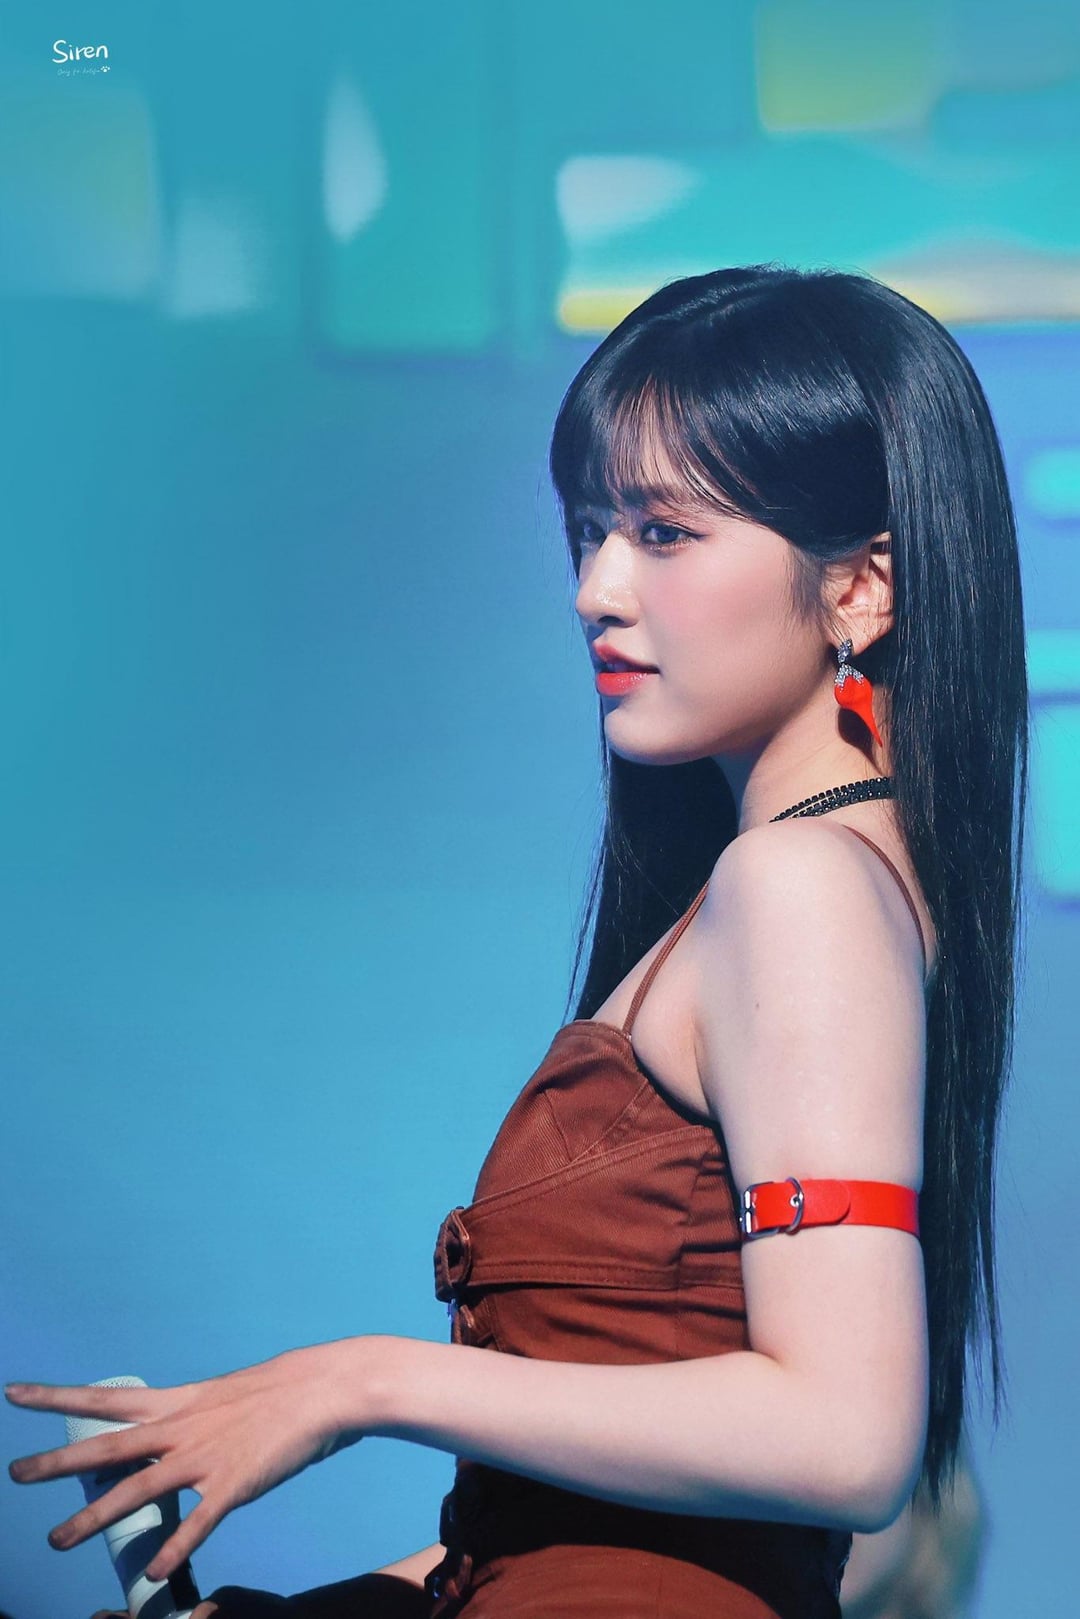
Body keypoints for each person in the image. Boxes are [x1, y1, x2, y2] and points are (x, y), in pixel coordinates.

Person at [6, 263, 1029, 1619]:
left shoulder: (802, 886)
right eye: (591, 530)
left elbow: (846, 1438)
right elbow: (590, 1534)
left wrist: (362, 1382)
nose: (596, 588)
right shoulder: (807, 884)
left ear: (860, 589)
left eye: (663, 532)